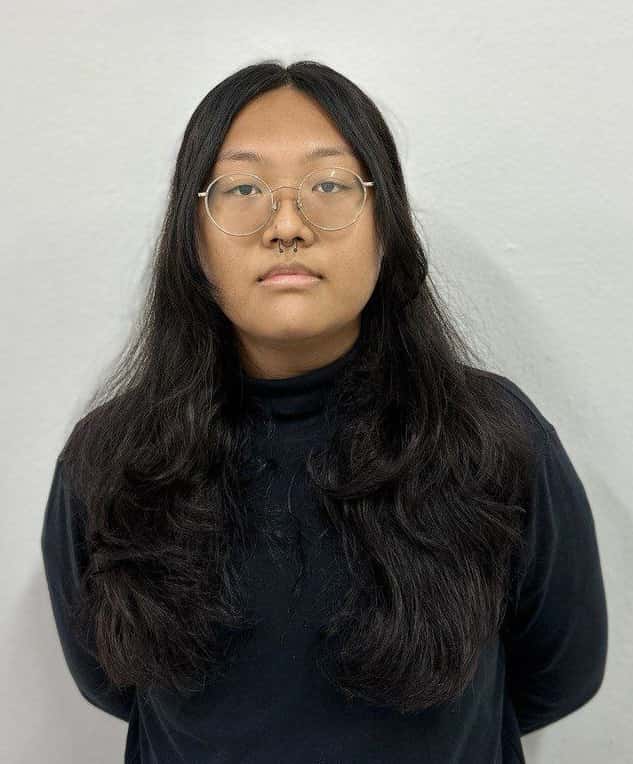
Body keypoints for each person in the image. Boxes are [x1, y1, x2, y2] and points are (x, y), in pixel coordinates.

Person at [40, 59, 608, 764]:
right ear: (193, 240)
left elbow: (559, 671)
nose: (286, 223)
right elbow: (114, 682)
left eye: (329, 186)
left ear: (386, 227)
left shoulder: (490, 437)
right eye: (242, 188)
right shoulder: (112, 461)